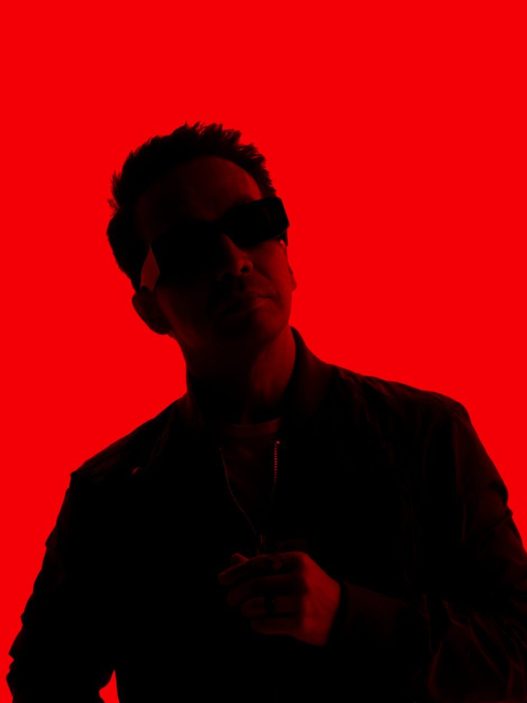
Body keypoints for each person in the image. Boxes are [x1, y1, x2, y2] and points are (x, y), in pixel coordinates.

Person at [7, 122, 527, 703]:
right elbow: (42, 681)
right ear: (149, 309)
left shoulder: (429, 436)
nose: (233, 260)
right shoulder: (111, 495)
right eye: (187, 250)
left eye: (253, 225)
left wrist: (347, 616)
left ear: (287, 253)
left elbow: (519, 652)